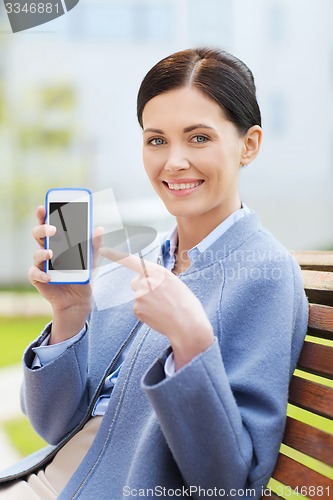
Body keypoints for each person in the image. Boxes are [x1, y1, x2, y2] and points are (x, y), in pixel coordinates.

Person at [0, 48, 308, 499]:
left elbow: (226, 485)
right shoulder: (143, 257)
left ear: (250, 144)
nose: (173, 161)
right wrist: (69, 315)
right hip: (43, 481)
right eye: (156, 139)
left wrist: (190, 341)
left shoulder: (265, 274)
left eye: (198, 138)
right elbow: (51, 426)